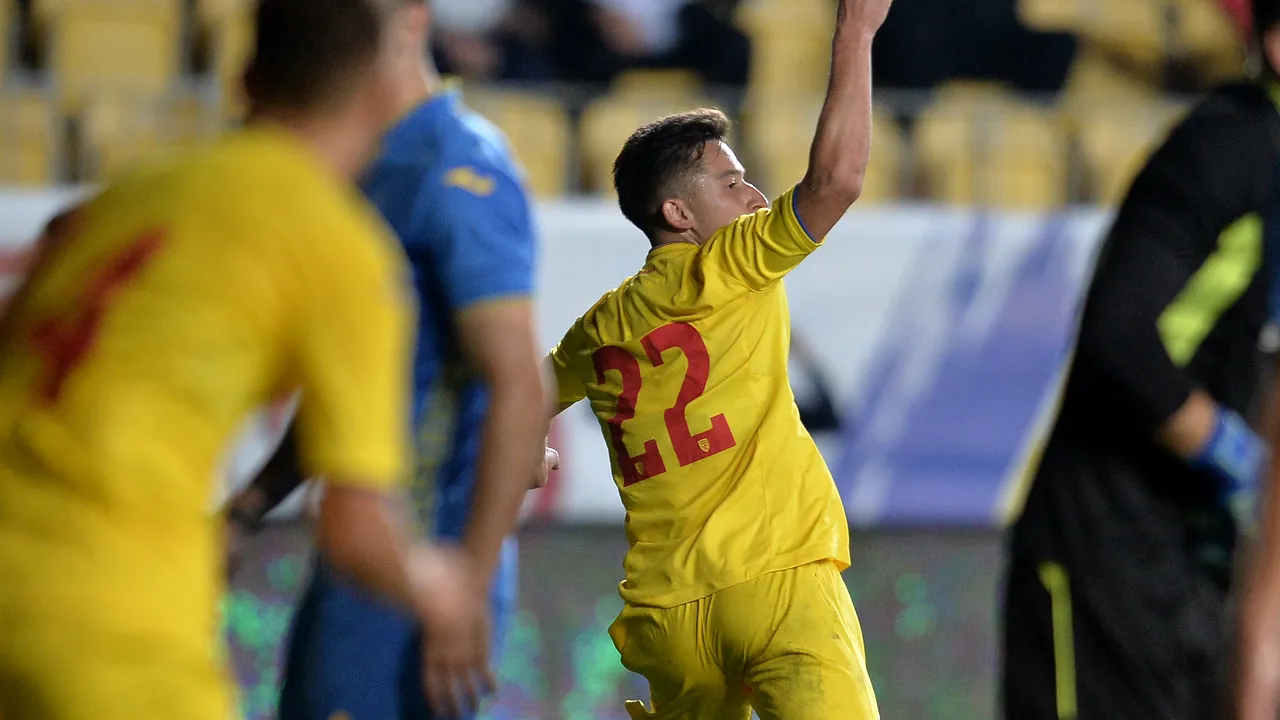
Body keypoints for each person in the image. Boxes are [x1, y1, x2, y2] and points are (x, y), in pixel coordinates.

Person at [0, 0, 492, 718]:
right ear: (380, 89)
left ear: (246, 78)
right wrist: (440, 587)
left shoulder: (120, 200)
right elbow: (354, 528)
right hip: (109, 616)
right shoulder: (341, 249)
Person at [540, 0, 890, 716]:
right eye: (732, 183)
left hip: (669, 624)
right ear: (679, 215)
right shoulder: (731, 261)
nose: (755, 196)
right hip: (775, 583)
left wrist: (520, 450)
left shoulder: (600, 328)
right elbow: (839, 182)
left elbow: (515, 393)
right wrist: (856, 33)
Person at [222, 2, 550, 718]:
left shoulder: (461, 169)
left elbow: (520, 384)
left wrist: (466, 583)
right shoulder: (364, 164)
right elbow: (361, 388)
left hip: (423, 573)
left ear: (410, 21)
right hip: (363, 565)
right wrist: (248, 507)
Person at [1001, 1, 1280, 717]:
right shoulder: (1231, 147)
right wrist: (1238, 460)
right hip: (1106, 552)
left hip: (1201, 564)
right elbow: (1120, 334)